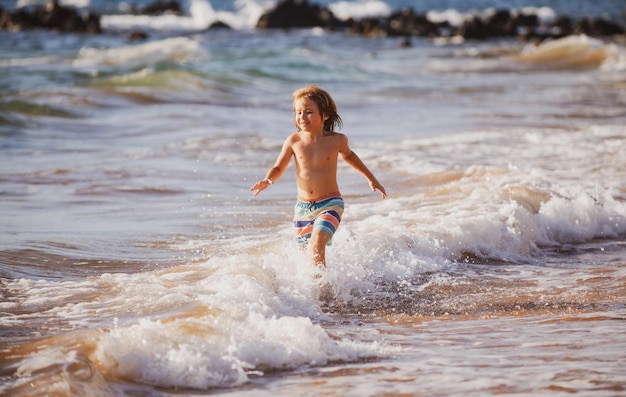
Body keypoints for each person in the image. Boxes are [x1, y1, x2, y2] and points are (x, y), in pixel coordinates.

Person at [250, 84, 386, 270]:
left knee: (317, 243)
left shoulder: (337, 140)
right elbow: (278, 166)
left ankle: (320, 288)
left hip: (330, 203)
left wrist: (371, 178)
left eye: (308, 112)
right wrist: (268, 180)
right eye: (298, 112)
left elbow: (350, 156)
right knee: (307, 254)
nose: (301, 117)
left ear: (325, 115)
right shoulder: (294, 141)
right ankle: (315, 289)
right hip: (303, 209)